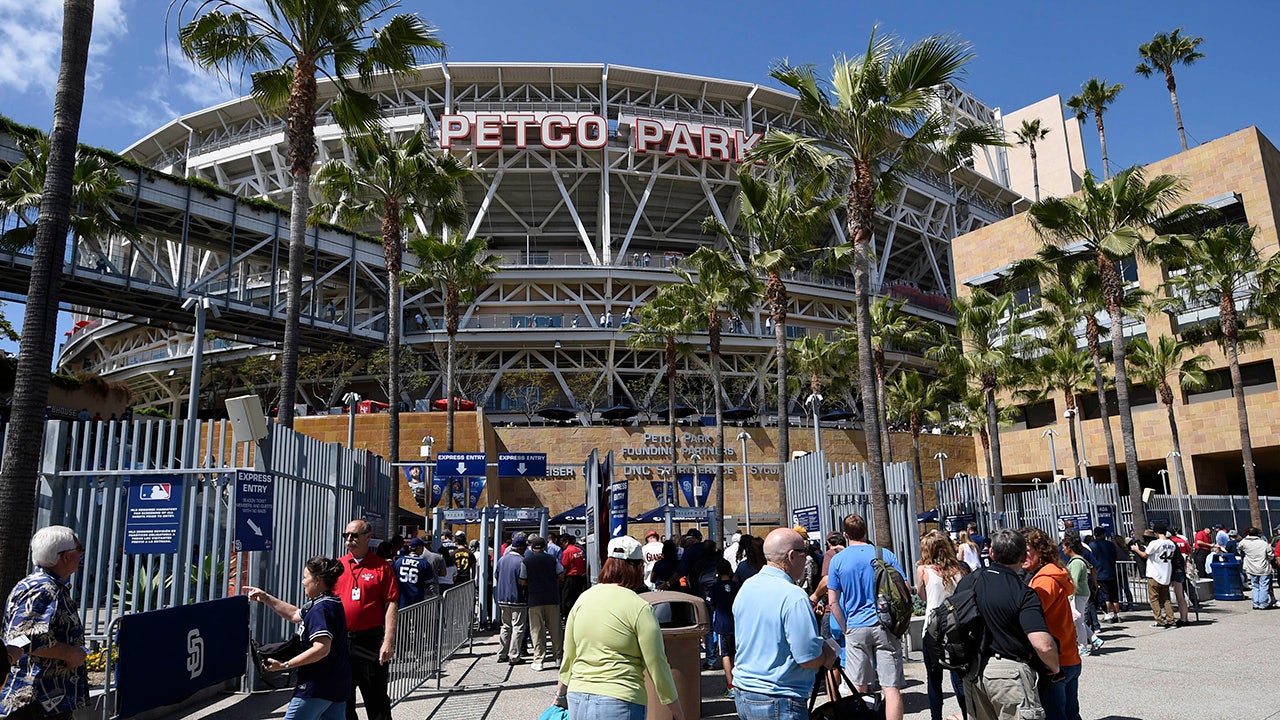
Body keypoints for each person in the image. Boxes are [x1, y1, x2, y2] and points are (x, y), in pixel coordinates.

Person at [555, 536, 686, 720]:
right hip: (621, 698)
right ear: (637, 567)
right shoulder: (639, 607)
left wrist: (560, 694)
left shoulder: (583, 599)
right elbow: (657, 663)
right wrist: (676, 711)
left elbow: (570, 654)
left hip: (578, 696)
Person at [732, 528, 838, 720]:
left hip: (744, 692)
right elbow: (807, 658)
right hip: (779, 697)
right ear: (791, 556)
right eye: (803, 553)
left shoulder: (747, 587)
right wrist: (826, 657)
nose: (806, 559)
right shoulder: (794, 596)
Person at [959, 530, 1062, 720]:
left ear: (991, 553)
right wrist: (1055, 667)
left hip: (973, 671)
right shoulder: (1023, 592)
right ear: (1023, 557)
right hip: (1010, 674)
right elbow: (1042, 644)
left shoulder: (968, 582)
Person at [0, 526, 88, 719]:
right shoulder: (43, 589)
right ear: (65, 556)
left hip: (49, 698)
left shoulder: (46, 585)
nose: (81, 554)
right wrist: (72, 653)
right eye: (79, 549)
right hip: (37, 698)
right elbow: (26, 638)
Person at [246, 557, 351, 720]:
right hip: (336, 685)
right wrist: (266, 597)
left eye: (305, 577)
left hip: (317, 687)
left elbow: (321, 648)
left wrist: (284, 665)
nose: (303, 582)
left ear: (317, 580)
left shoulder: (321, 609)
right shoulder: (329, 602)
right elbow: (295, 614)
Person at [828, 514, 908, 720]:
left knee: (857, 686)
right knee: (891, 687)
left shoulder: (838, 560)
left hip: (855, 626)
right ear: (866, 531)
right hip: (884, 625)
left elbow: (833, 602)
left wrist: (846, 628)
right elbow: (905, 588)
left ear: (845, 535)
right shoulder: (883, 554)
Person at [335, 520, 398, 720]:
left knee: (376, 699)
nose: (349, 540)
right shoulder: (338, 566)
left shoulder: (382, 568)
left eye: (354, 535)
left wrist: (388, 640)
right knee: (342, 699)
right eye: (346, 536)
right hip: (342, 642)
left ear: (368, 537)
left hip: (370, 642)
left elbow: (391, 604)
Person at [1020, 527, 1080, 720]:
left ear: (1040, 551)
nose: (1021, 555)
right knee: (1071, 713)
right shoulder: (1055, 572)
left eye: (1026, 550)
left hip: (1056, 661)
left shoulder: (1044, 581)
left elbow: (1030, 615)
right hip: (1069, 657)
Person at [916, 531, 967, 720]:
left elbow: (923, 597)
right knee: (959, 678)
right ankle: (965, 713)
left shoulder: (923, 570)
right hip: (955, 627)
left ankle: (935, 717)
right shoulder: (959, 570)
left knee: (934, 679)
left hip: (932, 628)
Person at [522, 536, 564, 671]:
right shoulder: (553, 559)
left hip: (535, 599)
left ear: (532, 548)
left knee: (537, 630)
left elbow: (523, 580)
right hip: (552, 597)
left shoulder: (526, 561)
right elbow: (561, 574)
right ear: (545, 547)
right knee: (555, 629)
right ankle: (558, 658)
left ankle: (539, 660)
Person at [1061, 536, 1102, 657]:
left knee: (1078, 622)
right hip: (1080, 593)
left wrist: (1069, 596)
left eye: (1064, 547)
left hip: (1078, 594)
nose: (1062, 549)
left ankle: (1083, 646)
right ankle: (1094, 639)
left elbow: (1073, 581)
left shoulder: (1077, 562)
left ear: (1069, 547)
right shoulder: (1077, 561)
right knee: (1079, 620)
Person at [704, 559, 740, 698]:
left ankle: (730, 685)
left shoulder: (715, 588)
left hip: (722, 624)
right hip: (736, 623)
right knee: (736, 653)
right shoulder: (736, 586)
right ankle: (739, 683)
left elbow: (711, 605)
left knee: (725, 654)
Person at [1132, 524, 1177, 629]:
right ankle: (1171, 620)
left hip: (1154, 573)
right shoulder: (1172, 544)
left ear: (1156, 533)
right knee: (1166, 599)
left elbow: (1145, 555)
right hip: (1165, 573)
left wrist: (1135, 549)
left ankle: (1160, 620)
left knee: (1154, 598)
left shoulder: (1155, 543)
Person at [495, 532, 529, 665]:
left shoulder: (502, 559)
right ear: (520, 548)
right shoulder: (522, 561)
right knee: (518, 627)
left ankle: (502, 654)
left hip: (503, 597)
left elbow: (497, 575)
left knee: (505, 626)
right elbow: (524, 580)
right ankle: (514, 656)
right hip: (518, 598)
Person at [1237, 527, 1276, 610]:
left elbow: (1239, 549)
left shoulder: (1243, 542)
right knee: (1264, 586)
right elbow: (1270, 556)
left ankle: (1255, 603)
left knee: (1255, 586)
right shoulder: (1263, 543)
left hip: (1251, 567)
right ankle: (1263, 604)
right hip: (1263, 567)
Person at [1088, 527, 1120, 623]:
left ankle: (1107, 615)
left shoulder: (1092, 545)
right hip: (1111, 571)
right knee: (1114, 595)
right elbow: (1115, 556)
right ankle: (1116, 615)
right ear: (1104, 535)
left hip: (1099, 573)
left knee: (1104, 595)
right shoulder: (1110, 545)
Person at [393, 538, 439, 606]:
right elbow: (428, 583)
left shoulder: (399, 561)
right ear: (418, 548)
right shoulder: (423, 563)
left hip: (401, 597)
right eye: (422, 547)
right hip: (416, 598)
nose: (423, 549)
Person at [559, 534, 589, 614]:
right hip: (581, 578)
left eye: (561, 543)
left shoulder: (567, 552)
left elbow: (564, 567)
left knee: (567, 600)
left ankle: (568, 617)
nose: (561, 546)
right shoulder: (579, 550)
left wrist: (561, 580)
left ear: (566, 542)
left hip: (570, 578)